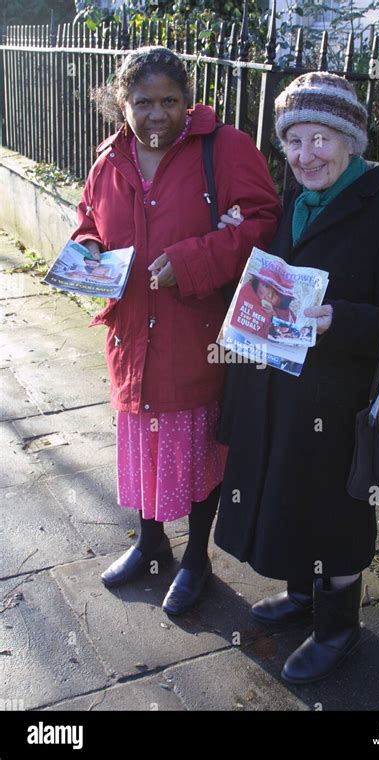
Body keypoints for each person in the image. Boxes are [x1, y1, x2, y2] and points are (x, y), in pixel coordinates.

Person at [214, 72, 379, 683]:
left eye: (321, 140)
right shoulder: (293, 205)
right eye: (294, 142)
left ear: (350, 142)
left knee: (334, 511)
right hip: (280, 389)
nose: (306, 156)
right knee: (289, 492)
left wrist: (344, 320)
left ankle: (338, 626)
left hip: (341, 401)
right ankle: (304, 595)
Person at [71, 46, 281, 616]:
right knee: (145, 450)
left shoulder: (225, 148)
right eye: (144, 102)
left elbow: (266, 223)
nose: (157, 113)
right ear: (123, 102)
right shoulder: (109, 159)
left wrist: (194, 260)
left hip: (198, 339)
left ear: (187, 103)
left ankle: (196, 561)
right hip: (131, 337)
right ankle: (150, 542)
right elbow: (89, 219)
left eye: (169, 101)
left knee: (197, 455)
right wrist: (87, 250)